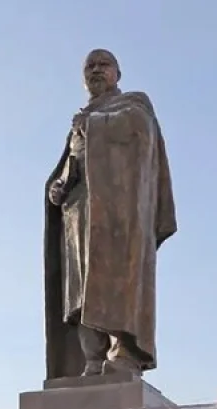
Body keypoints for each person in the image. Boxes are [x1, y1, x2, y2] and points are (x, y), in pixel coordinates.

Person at [44, 49, 176, 379]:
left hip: (119, 215)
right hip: (79, 215)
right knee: (82, 291)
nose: (96, 70)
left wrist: (92, 125)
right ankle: (92, 358)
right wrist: (57, 188)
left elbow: (137, 132)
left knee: (117, 282)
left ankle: (125, 353)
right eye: (89, 66)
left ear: (118, 74)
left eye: (104, 65)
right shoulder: (80, 121)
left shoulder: (133, 105)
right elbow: (70, 167)